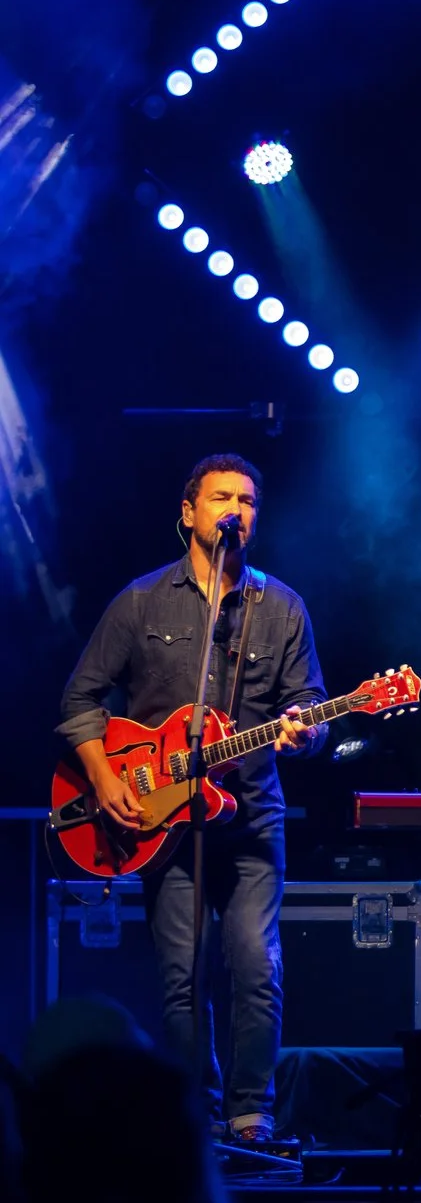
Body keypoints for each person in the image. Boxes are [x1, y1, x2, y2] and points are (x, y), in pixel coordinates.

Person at [56, 453, 325, 1143]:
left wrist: (304, 733)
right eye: (221, 498)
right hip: (156, 813)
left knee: (255, 963)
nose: (236, 509)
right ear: (189, 513)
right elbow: (80, 701)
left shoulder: (283, 607)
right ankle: (189, 1116)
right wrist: (108, 778)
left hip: (251, 812)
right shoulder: (142, 601)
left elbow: (310, 711)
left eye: (248, 500)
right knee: (181, 973)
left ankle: (250, 1114)